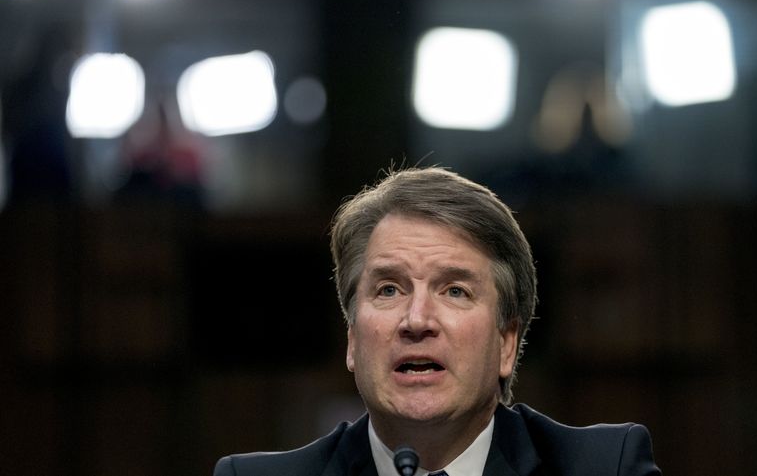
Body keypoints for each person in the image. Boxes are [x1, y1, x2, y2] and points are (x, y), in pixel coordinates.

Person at [214, 167, 661, 476]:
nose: (417, 320)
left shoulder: (605, 466)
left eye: (455, 291)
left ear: (507, 342)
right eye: (389, 289)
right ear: (352, 337)